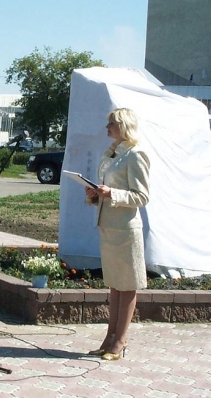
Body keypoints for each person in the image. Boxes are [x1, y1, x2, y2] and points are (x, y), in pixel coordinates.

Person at [85, 108, 150, 361]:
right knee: (114, 286)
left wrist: (112, 193)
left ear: (124, 125)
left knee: (128, 286)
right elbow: (108, 190)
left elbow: (142, 196)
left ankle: (120, 341)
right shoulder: (111, 153)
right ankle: (109, 338)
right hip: (109, 228)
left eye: (111, 123)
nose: (107, 127)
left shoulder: (136, 154)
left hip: (126, 230)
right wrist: (94, 195)